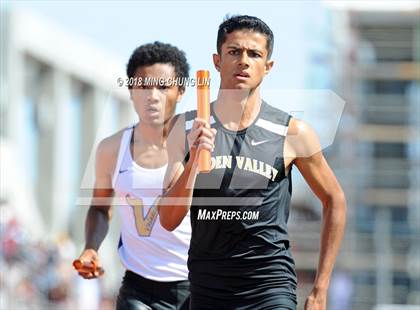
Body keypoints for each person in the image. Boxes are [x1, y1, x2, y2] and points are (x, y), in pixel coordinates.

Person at [157, 15, 346, 310]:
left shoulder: (293, 133)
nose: (243, 61)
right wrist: (194, 162)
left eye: (254, 54)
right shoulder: (184, 128)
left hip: (270, 287)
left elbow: (334, 200)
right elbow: (168, 220)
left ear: (268, 66)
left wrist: (320, 289)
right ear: (217, 61)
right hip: (208, 288)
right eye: (234, 52)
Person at [76, 41, 191, 310]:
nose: (153, 95)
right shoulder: (111, 149)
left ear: (181, 91)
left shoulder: (198, 146)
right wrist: (91, 246)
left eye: (163, 87)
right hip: (139, 290)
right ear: (131, 91)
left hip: (195, 286)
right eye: (144, 86)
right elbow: (100, 208)